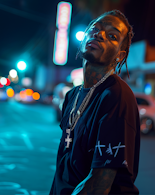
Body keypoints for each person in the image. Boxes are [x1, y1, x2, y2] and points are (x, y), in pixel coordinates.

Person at [50, 10, 140, 195]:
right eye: (95, 29)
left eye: (112, 36)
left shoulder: (116, 95)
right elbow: (64, 163)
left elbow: (100, 183)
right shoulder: (72, 96)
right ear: (83, 40)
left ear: (120, 56)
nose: (99, 34)